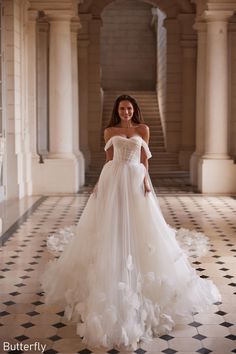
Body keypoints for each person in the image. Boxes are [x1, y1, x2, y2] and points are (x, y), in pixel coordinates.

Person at [41, 94, 221, 350]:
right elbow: (108, 159)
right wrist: (99, 185)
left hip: (135, 177)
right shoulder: (109, 130)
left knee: (141, 225)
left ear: (134, 110)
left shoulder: (143, 129)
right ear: (117, 110)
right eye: (122, 108)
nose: (126, 111)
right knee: (111, 224)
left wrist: (147, 181)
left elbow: (144, 159)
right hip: (113, 178)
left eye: (129, 108)